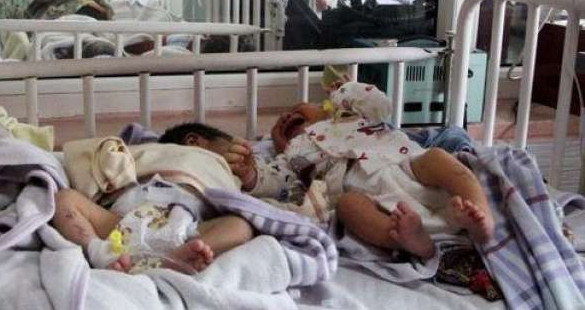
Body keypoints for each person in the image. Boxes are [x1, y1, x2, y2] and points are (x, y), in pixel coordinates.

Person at [161, 82, 494, 260]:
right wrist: (252, 173)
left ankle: (480, 216)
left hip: (405, 165)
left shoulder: (352, 117)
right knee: (349, 208)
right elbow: (277, 185)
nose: (288, 120)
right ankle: (414, 243)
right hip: (369, 196)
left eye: (297, 112)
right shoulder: (292, 155)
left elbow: (380, 103)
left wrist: (342, 95)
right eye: (283, 127)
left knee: (438, 157)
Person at [53, 136, 255, 274]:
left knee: (242, 226)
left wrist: (248, 176)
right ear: (194, 141)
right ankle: (101, 254)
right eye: (227, 144)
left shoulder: (224, 174)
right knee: (63, 198)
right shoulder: (162, 153)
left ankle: (172, 259)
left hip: (188, 232)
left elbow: (255, 195)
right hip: (122, 224)